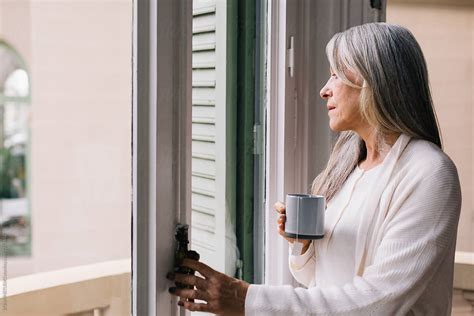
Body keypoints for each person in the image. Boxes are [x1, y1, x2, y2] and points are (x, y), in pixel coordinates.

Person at [167, 22, 462, 315]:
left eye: (335, 74)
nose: (324, 90)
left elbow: (379, 302)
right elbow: (319, 282)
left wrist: (245, 298)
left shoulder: (429, 174)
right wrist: (306, 245)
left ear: (374, 79)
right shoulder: (349, 168)